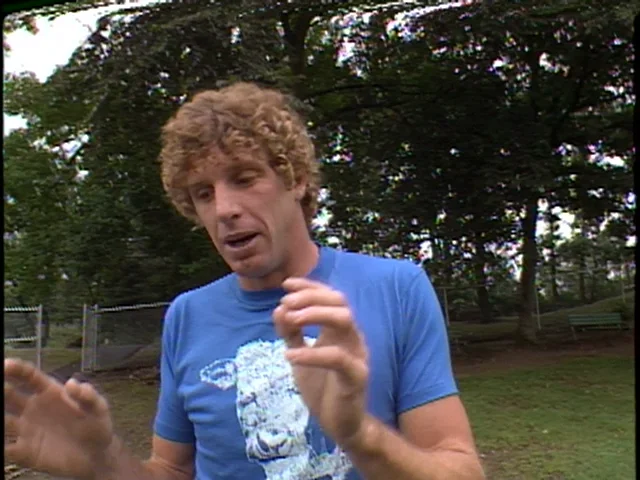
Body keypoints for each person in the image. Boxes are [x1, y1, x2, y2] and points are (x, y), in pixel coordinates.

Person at [4, 82, 485, 480]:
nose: (225, 208)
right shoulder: (187, 316)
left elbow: (462, 470)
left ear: (294, 178)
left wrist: (359, 434)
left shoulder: (396, 288)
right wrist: (106, 464)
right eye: (203, 193)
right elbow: (172, 471)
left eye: (244, 177)